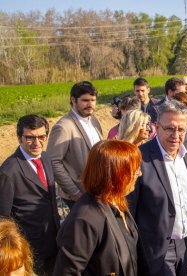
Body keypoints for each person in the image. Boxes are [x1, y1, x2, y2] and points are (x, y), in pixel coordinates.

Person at [128, 100, 187, 276]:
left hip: (184, 244)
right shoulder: (139, 158)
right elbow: (129, 210)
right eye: (169, 128)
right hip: (155, 249)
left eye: (181, 129)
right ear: (156, 127)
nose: (176, 135)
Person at [53, 140, 144, 275]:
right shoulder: (84, 220)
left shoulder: (117, 202)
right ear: (116, 175)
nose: (140, 174)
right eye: (135, 171)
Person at [0, 115, 60, 275]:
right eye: (30, 138)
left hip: (53, 240)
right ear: (19, 138)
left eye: (41, 137)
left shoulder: (46, 158)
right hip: (30, 247)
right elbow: (3, 217)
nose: (36, 143)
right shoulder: (9, 171)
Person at [47, 81, 103, 209]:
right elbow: (53, 162)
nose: (90, 104)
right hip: (80, 196)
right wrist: (75, 193)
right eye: (85, 100)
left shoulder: (94, 120)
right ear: (73, 100)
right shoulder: (63, 127)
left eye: (93, 100)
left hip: (97, 191)